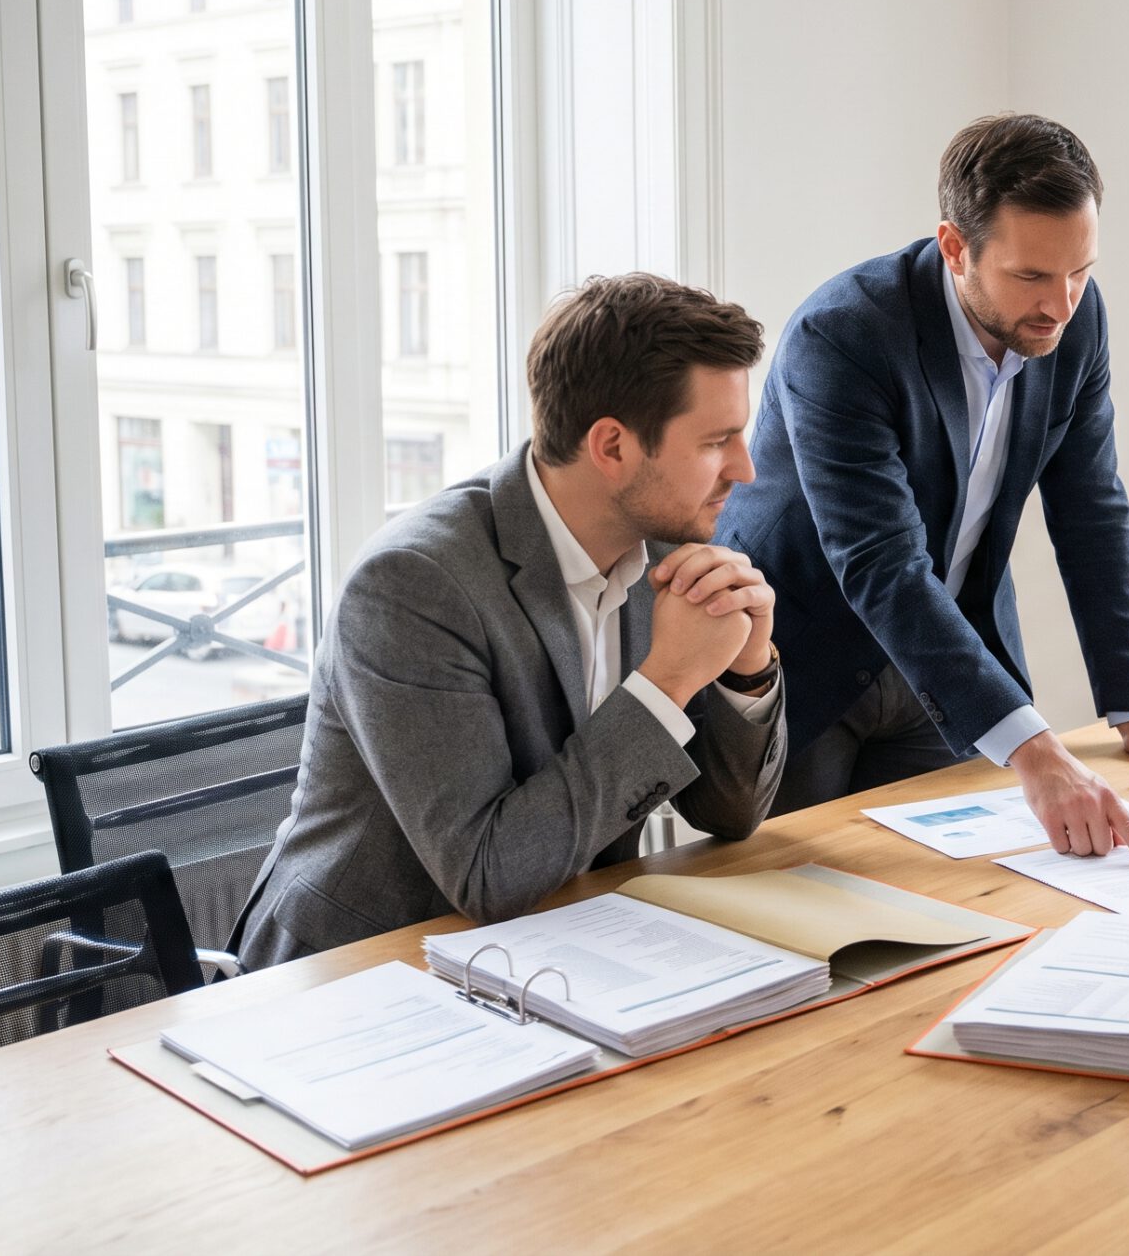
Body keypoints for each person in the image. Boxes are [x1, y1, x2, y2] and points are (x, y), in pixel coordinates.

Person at [715, 113, 1129, 860]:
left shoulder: (1072, 318)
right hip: (810, 656)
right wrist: (1037, 751)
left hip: (952, 652)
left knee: (966, 894)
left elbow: (1091, 506)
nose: (1061, 304)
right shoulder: (841, 335)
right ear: (954, 247)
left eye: (1081, 270)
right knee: (794, 907)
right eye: (1032, 275)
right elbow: (880, 561)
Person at [234, 273, 788, 969]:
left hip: (554, 949)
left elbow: (730, 815)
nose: (746, 466)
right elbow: (489, 874)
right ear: (612, 446)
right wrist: (668, 681)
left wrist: (749, 665)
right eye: (717, 441)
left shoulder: (673, 543)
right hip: (365, 972)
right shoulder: (413, 586)